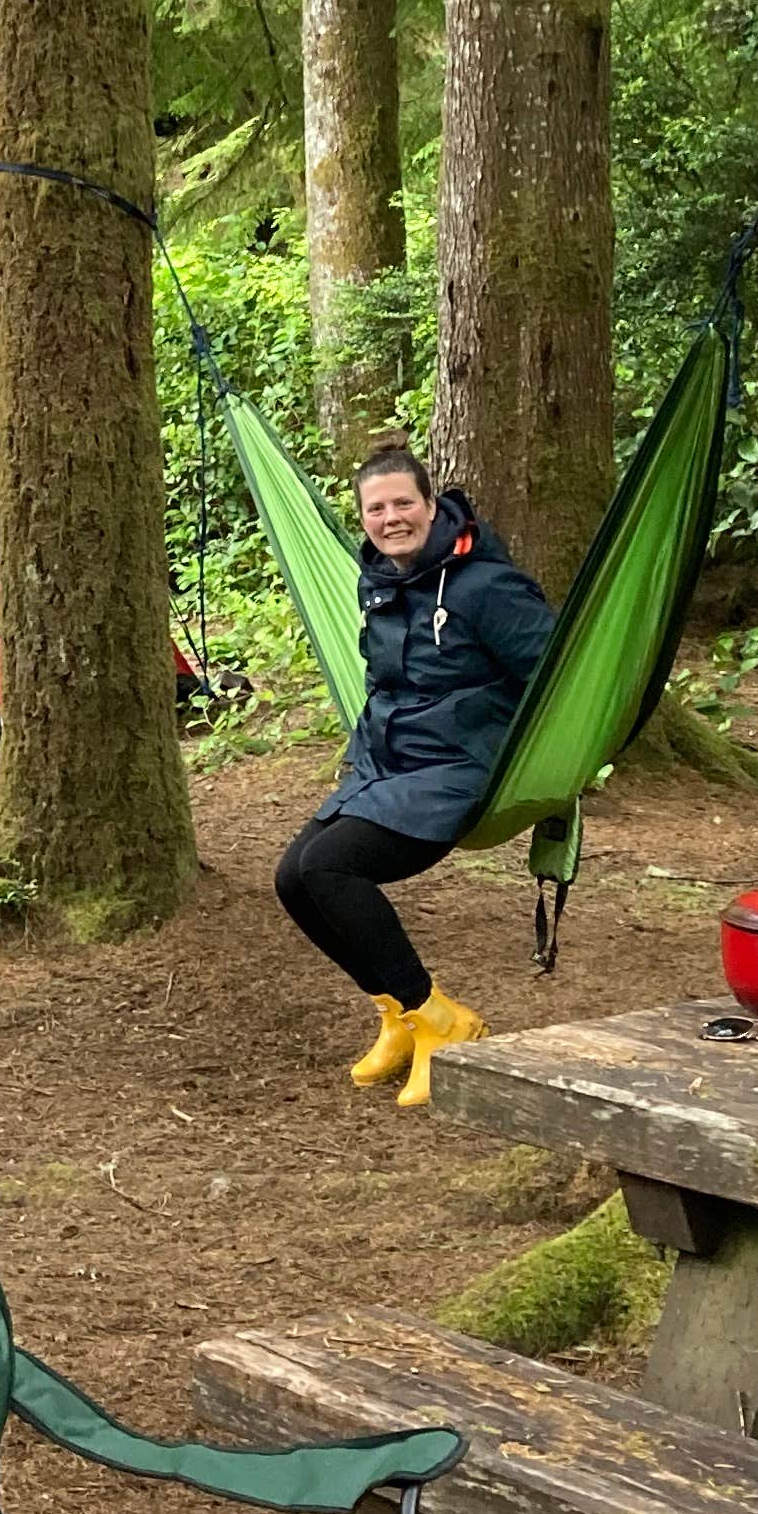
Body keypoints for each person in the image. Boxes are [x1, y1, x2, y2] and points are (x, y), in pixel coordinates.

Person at [273, 444, 556, 1107]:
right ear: (363, 519)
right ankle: (397, 1014)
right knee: (291, 879)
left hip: (458, 770)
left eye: (404, 502)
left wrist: (548, 764)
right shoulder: (379, 583)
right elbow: (384, 682)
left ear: (433, 505)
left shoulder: (488, 588)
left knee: (330, 870)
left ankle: (442, 1020)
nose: (391, 517)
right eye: (377, 508)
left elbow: (556, 677)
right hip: (389, 765)